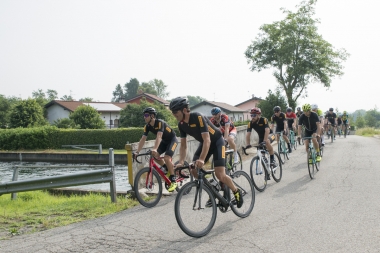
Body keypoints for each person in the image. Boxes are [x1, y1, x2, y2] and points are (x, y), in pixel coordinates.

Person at [170, 97, 243, 208]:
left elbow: (207, 139)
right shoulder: (181, 125)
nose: (174, 114)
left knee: (220, 174)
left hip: (217, 142)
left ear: (184, 110)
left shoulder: (197, 117)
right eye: (172, 112)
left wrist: (202, 159)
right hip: (205, 144)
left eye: (175, 112)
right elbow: (183, 145)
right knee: (193, 169)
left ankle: (236, 191)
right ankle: (212, 187)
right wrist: (181, 161)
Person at [133, 107, 178, 192]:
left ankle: (173, 180)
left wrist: (155, 148)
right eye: (144, 115)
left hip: (172, 140)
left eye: (146, 115)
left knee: (166, 158)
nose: (144, 117)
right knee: (154, 156)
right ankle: (167, 168)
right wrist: (137, 152)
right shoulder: (147, 126)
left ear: (152, 116)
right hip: (165, 142)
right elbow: (143, 139)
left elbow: (159, 136)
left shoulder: (160, 123)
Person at [244, 107, 276, 180]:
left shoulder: (264, 120)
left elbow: (267, 130)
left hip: (270, 135)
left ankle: (272, 159)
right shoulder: (250, 123)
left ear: (259, 115)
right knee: (261, 156)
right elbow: (248, 134)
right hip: (261, 138)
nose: (252, 117)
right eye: (251, 115)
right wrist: (248, 144)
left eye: (254, 115)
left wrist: (265, 141)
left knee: (267, 142)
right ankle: (267, 171)